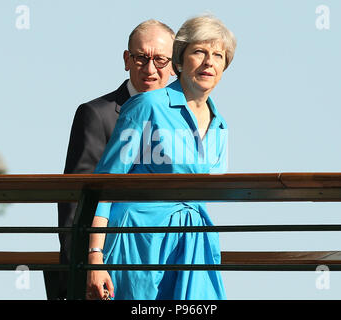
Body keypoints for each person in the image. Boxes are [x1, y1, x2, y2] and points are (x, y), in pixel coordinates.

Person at [87, 14, 236, 300]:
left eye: (218, 55)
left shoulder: (220, 124)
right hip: (139, 235)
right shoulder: (147, 104)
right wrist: (95, 256)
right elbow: (104, 184)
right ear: (179, 61)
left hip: (194, 239)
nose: (209, 62)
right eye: (199, 52)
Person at [45, 20, 176, 300]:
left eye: (160, 59)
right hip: (110, 265)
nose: (150, 68)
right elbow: (74, 198)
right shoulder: (97, 114)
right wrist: (80, 268)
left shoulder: (183, 121)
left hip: (167, 262)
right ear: (127, 60)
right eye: (141, 57)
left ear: (174, 64)